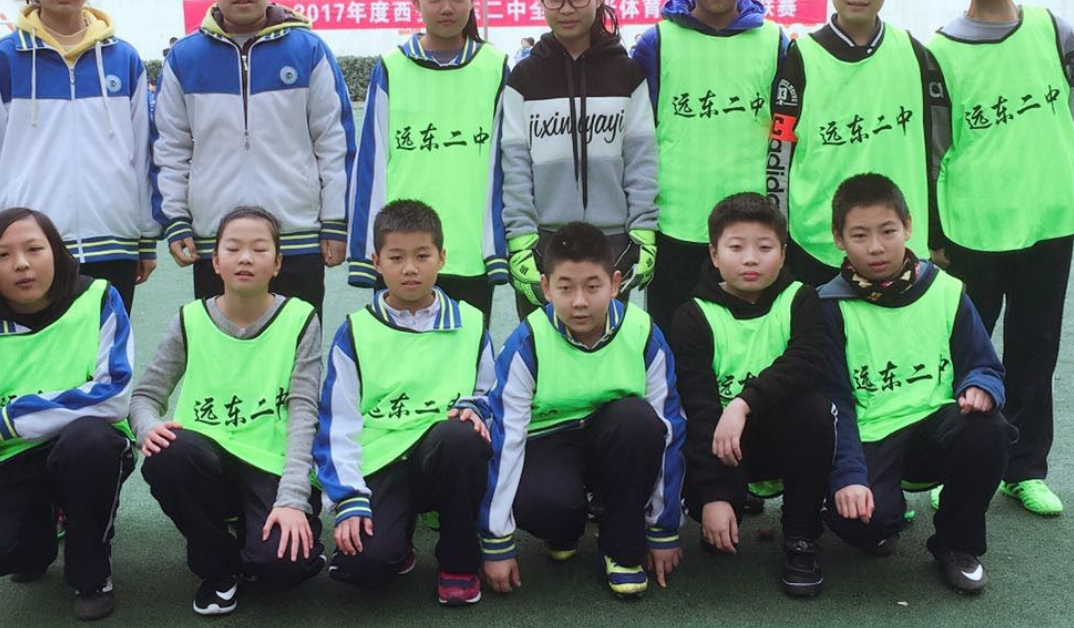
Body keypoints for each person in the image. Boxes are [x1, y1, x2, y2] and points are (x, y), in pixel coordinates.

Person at [925, 0, 1074, 516]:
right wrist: (936, 232)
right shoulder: (938, 50)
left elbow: (1066, 117)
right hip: (972, 226)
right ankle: (950, 463)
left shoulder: (1053, 30)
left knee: (1035, 350)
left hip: (1048, 221)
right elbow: (935, 147)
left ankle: (1025, 469)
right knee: (961, 353)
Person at [0, 207, 135, 621]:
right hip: (16, 463)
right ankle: (36, 543)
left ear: (56, 253)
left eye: (34, 249)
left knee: (88, 442)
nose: (21, 264)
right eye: (3, 255)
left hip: (86, 450)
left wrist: (9, 419)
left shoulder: (97, 299)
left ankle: (91, 573)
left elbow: (113, 393)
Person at [819, 174, 1010, 594]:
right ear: (838, 238)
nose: (875, 247)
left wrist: (980, 386)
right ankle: (877, 511)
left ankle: (957, 545)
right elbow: (833, 401)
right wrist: (848, 474)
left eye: (887, 231)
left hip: (934, 429)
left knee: (988, 428)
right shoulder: (826, 305)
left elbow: (984, 364)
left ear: (907, 226)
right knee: (863, 523)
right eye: (859, 235)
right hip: (868, 437)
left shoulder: (946, 291)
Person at [131, 206, 325, 616]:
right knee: (167, 453)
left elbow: (304, 411)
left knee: (282, 569)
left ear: (278, 263)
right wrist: (148, 428)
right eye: (233, 248)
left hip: (272, 464)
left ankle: (285, 531)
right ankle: (218, 566)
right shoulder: (190, 319)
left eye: (259, 249)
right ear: (216, 261)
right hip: (208, 459)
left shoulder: (300, 318)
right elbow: (144, 397)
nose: (246, 258)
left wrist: (293, 499)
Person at [153, 0, 355, 312]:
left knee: (298, 344)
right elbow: (170, 147)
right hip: (218, 242)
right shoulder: (185, 59)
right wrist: (176, 218)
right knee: (221, 344)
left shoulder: (309, 51)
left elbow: (334, 142)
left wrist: (335, 220)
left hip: (296, 238)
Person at [0, 0, 158, 313]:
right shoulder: (3, 60)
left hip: (112, 241)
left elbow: (142, 155)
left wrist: (146, 237)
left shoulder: (124, 59)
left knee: (105, 348)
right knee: (32, 349)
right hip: (28, 246)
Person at [480, 222, 686, 600]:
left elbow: (669, 429)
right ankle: (564, 527)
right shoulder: (528, 341)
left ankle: (621, 546)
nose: (579, 302)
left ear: (615, 283)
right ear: (545, 288)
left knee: (640, 423)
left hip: (615, 440)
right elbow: (505, 438)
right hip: (550, 442)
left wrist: (663, 529)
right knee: (546, 504)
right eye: (566, 288)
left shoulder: (643, 333)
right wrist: (497, 543)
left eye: (592, 287)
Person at [314, 200, 495, 607]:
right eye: (396, 258)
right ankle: (397, 538)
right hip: (381, 463)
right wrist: (348, 499)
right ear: (377, 263)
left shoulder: (470, 322)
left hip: (443, 456)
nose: (410, 268)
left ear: (442, 257)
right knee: (366, 566)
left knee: (461, 436)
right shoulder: (355, 331)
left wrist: (477, 409)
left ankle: (458, 563)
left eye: (422, 256)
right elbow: (336, 423)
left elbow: (492, 395)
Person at [630, 0, 787, 342]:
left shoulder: (775, 42)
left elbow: (786, 137)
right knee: (675, 341)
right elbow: (637, 138)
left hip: (752, 227)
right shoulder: (655, 44)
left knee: (752, 343)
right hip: (676, 225)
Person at [670, 193, 833, 597]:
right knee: (700, 449)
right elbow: (700, 409)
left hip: (783, 439)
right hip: (721, 447)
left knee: (814, 410)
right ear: (714, 254)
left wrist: (742, 404)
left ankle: (801, 537)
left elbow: (808, 362)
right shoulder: (692, 316)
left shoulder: (801, 298)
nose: (750, 259)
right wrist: (714, 495)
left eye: (764, 248)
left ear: (783, 253)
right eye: (736, 247)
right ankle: (725, 504)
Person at [770, 0, 944, 287]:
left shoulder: (914, 53)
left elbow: (934, 149)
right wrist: (778, 228)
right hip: (817, 240)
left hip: (897, 240)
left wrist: (937, 229)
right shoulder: (802, 57)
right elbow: (780, 149)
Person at [347, 0, 508, 319]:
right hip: (401, 253)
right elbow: (371, 163)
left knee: (467, 351)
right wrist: (365, 252)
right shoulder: (391, 67)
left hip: (469, 254)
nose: (447, 7)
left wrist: (495, 247)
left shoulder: (494, 67)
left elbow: (504, 165)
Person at [502, 0, 658, 318]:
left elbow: (641, 159)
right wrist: (521, 237)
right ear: (541, 0)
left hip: (613, 241)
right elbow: (515, 164)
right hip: (543, 241)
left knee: (606, 343)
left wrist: (644, 228)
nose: (567, 9)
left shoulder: (626, 74)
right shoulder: (524, 78)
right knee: (540, 346)